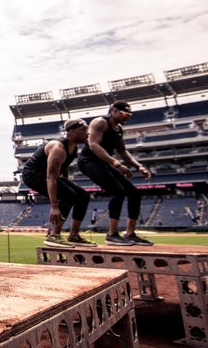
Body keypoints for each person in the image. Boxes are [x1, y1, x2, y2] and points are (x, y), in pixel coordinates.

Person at [77, 101, 154, 246]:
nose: (127, 117)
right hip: (89, 161)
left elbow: (123, 151)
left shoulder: (119, 129)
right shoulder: (100, 122)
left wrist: (139, 166)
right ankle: (112, 234)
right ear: (113, 111)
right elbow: (94, 145)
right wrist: (116, 164)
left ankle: (130, 234)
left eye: (129, 115)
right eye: (125, 114)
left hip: (105, 163)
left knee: (134, 193)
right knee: (118, 192)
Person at [20, 118, 96, 247]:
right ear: (71, 132)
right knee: (69, 195)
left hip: (49, 175)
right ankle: (53, 236)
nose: (87, 133)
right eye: (83, 130)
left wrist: (66, 179)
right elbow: (51, 178)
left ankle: (74, 235)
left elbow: (64, 165)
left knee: (83, 196)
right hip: (33, 175)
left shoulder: (73, 148)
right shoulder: (58, 148)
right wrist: (54, 206)